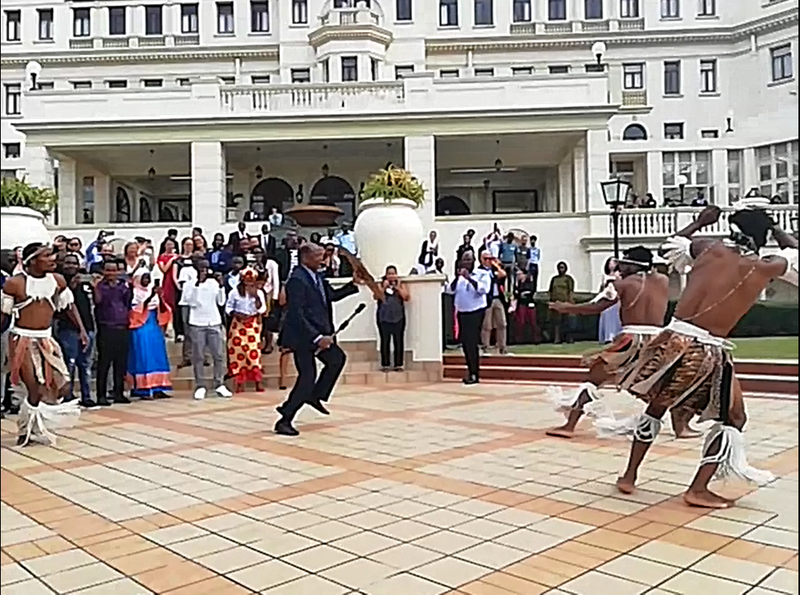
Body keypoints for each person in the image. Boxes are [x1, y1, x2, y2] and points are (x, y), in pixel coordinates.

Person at [615, 204, 797, 508]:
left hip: (670, 339)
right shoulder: (765, 266)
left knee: (657, 407)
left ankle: (629, 476)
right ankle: (698, 489)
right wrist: (777, 229)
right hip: (705, 350)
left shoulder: (707, 248)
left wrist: (700, 221)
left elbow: (669, 247)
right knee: (734, 417)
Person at [546, 246, 698, 440]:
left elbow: (596, 306)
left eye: (624, 264)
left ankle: (569, 425)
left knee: (594, 379)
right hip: (658, 340)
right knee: (662, 384)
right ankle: (681, 427)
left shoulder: (623, 284)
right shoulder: (663, 280)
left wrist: (567, 308)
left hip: (630, 339)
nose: (620, 268)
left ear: (633, 265)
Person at [1, 243, 87, 446]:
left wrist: (81, 330)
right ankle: (26, 430)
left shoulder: (57, 280)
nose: (52, 259)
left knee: (61, 386)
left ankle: (32, 423)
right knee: (34, 388)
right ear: (32, 261)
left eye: (52, 255)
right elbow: (3, 315)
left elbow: (69, 306)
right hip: (22, 339)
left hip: (46, 339)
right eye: (47, 256)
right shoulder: (15, 283)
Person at [274, 243, 361, 436]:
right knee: (307, 378)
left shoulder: (317, 276)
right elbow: (296, 313)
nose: (322, 260)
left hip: (319, 334)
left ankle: (316, 395)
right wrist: (316, 337)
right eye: (318, 256)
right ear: (305, 257)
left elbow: (330, 296)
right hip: (302, 337)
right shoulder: (297, 279)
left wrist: (352, 285)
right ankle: (285, 418)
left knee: (336, 359)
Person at [183, 260, 231, 400]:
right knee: (198, 356)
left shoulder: (213, 283)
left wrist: (222, 286)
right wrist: (197, 284)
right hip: (197, 323)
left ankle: (219, 384)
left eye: (206, 268)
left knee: (219, 355)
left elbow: (221, 302)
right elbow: (190, 302)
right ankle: (200, 386)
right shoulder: (189, 284)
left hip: (214, 322)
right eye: (201, 268)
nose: (204, 271)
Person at [55, 254, 97, 408]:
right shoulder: (60, 282)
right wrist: (70, 286)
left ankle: (86, 396)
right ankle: (68, 395)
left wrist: (94, 286)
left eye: (74, 263)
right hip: (68, 329)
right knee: (69, 363)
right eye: (68, 263)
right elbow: (64, 307)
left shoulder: (84, 282)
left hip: (89, 326)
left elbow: (95, 302)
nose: (71, 266)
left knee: (85, 364)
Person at [127, 270, 172, 400]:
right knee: (143, 356)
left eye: (148, 278)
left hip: (154, 325)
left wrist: (160, 297)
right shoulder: (134, 293)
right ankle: (143, 389)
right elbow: (137, 310)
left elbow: (161, 308)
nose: (146, 281)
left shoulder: (151, 291)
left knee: (157, 356)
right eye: (144, 278)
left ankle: (158, 387)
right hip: (141, 325)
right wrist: (151, 296)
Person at [94, 258, 133, 406]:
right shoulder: (100, 287)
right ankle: (101, 394)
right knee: (104, 363)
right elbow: (98, 302)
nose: (111, 273)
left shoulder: (123, 287)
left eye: (114, 270)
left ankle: (119, 393)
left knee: (121, 363)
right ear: (103, 271)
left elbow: (128, 303)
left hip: (122, 327)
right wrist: (95, 287)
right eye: (108, 270)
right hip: (106, 328)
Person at [225, 267, 268, 393]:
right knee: (238, 353)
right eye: (246, 280)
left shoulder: (259, 293)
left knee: (253, 353)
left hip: (252, 325)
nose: (249, 283)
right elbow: (228, 307)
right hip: (238, 325)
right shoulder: (234, 292)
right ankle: (239, 383)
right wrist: (236, 313)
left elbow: (263, 310)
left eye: (251, 280)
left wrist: (257, 298)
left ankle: (258, 382)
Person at [451, 251, 491, 385]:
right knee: (465, 343)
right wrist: (458, 277)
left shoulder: (482, 274)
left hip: (476, 311)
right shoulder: (460, 276)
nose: (466, 262)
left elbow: (483, 290)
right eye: (464, 260)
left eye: (469, 260)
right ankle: (470, 369)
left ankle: (474, 373)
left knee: (472, 342)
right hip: (463, 312)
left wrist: (470, 278)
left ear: (474, 261)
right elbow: (450, 290)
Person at [371, 265, 410, 372]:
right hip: (384, 317)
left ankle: (398, 364)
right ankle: (385, 364)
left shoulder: (401, 284)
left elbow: (407, 297)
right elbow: (376, 297)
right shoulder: (381, 284)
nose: (391, 276)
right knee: (385, 340)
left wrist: (397, 288)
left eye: (393, 274)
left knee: (398, 340)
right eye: (389, 274)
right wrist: (384, 288)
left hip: (398, 317)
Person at [479, 251, 508, 355]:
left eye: (490, 259)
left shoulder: (494, 269)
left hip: (497, 298)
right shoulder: (479, 271)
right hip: (487, 299)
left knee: (502, 323)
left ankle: (502, 347)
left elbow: (503, 275)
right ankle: (485, 346)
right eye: (486, 259)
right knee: (487, 325)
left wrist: (497, 265)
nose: (488, 261)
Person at [548, 261, 576, 344]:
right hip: (556, 301)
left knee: (567, 321)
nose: (561, 269)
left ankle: (569, 338)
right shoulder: (554, 279)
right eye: (559, 268)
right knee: (557, 321)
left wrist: (570, 301)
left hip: (565, 301)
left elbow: (571, 290)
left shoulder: (568, 279)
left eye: (562, 267)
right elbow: (550, 290)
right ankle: (557, 338)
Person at [597, 257, 623, 344]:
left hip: (616, 298)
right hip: (607, 298)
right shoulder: (605, 275)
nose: (613, 264)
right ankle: (608, 336)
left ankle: (617, 335)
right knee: (607, 315)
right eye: (612, 262)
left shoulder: (619, 274)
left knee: (616, 317)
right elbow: (602, 287)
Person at [513, 268, 540, 344]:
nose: (518, 276)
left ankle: (536, 339)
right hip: (521, 303)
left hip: (529, 303)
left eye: (519, 274)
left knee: (533, 321)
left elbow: (531, 291)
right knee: (520, 322)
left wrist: (523, 293)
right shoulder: (517, 283)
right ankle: (519, 339)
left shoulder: (529, 282)